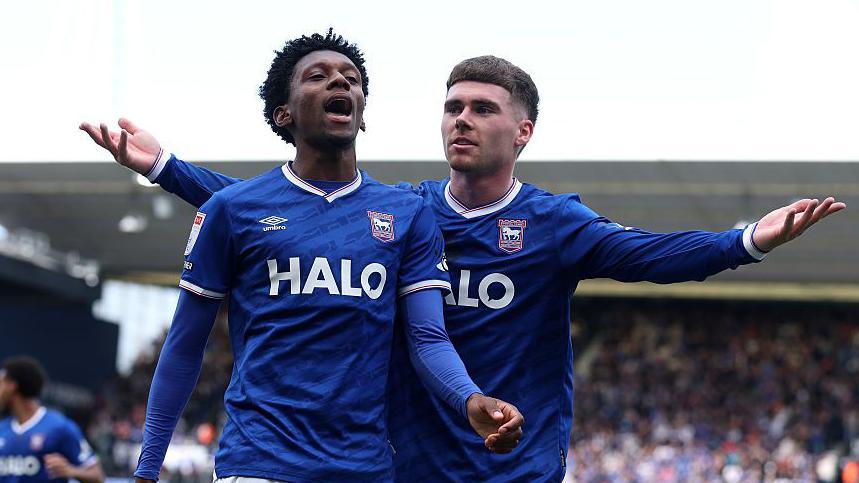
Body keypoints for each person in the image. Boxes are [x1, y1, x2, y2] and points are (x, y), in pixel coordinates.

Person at [83, 50, 845, 481]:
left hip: (513, 464)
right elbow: (275, 213)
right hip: (408, 462)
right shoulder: (408, 210)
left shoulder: (554, 223)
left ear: (523, 131)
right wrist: (169, 169)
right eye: (452, 106)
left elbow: (650, 255)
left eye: (481, 108)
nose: (461, 119)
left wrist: (744, 240)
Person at [82, 31, 524, 483]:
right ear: (284, 113)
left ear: (362, 113)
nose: (340, 84)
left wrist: (469, 398)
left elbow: (428, 338)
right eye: (319, 77)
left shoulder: (406, 215)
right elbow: (184, 347)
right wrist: (146, 469)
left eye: (351, 80)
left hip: (365, 470)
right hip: (258, 465)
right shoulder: (233, 210)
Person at [0, 356, 105, 483]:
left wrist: (71, 471)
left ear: (12, 386)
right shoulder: (2, 429)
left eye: (1, 383)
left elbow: (97, 476)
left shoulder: (60, 427)